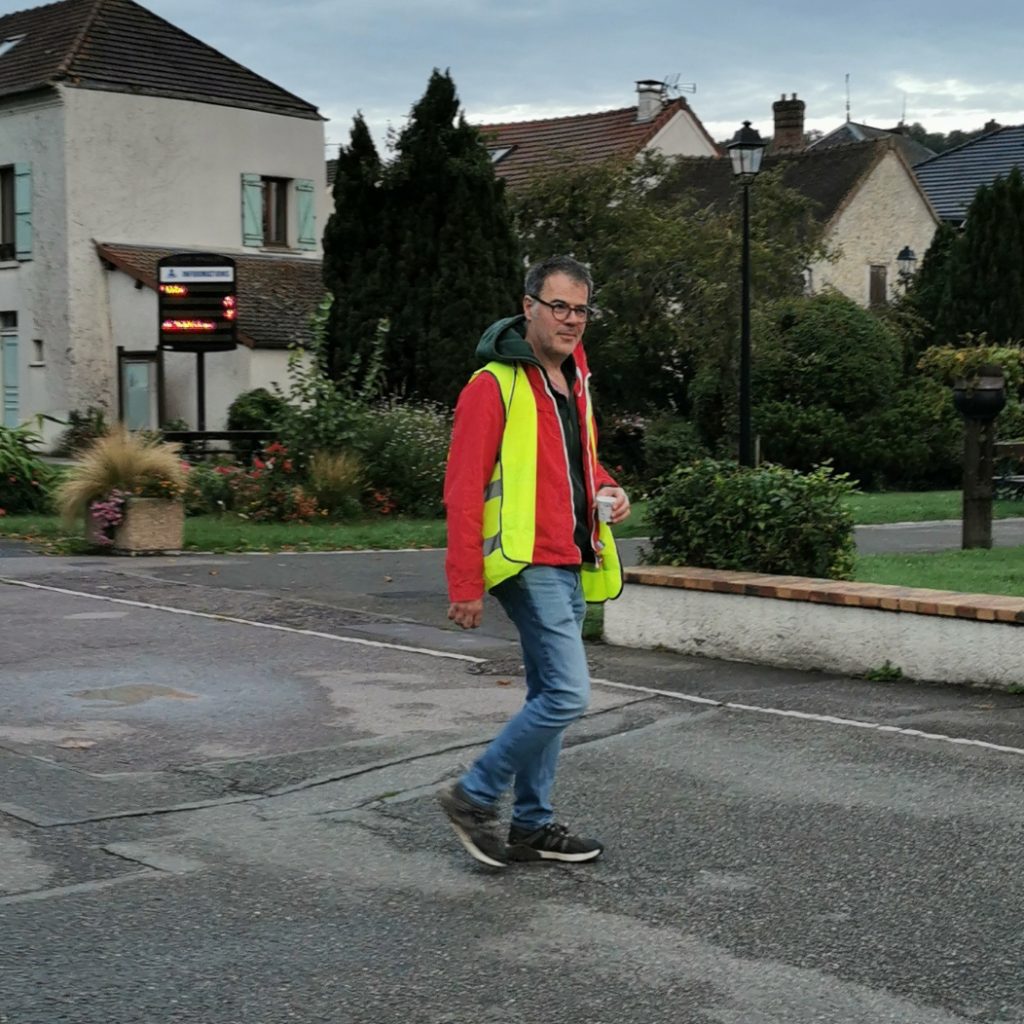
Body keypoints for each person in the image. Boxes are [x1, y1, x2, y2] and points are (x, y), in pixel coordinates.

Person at [439, 255, 630, 868]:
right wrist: (465, 582)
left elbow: (578, 462)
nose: (571, 319)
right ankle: (473, 795)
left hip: (571, 556)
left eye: (581, 309)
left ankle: (532, 824)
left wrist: (609, 485)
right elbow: (462, 489)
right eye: (559, 307)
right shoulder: (492, 385)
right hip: (526, 562)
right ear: (529, 308)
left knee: (549, 693)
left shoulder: (575, 382)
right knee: (569, 694)